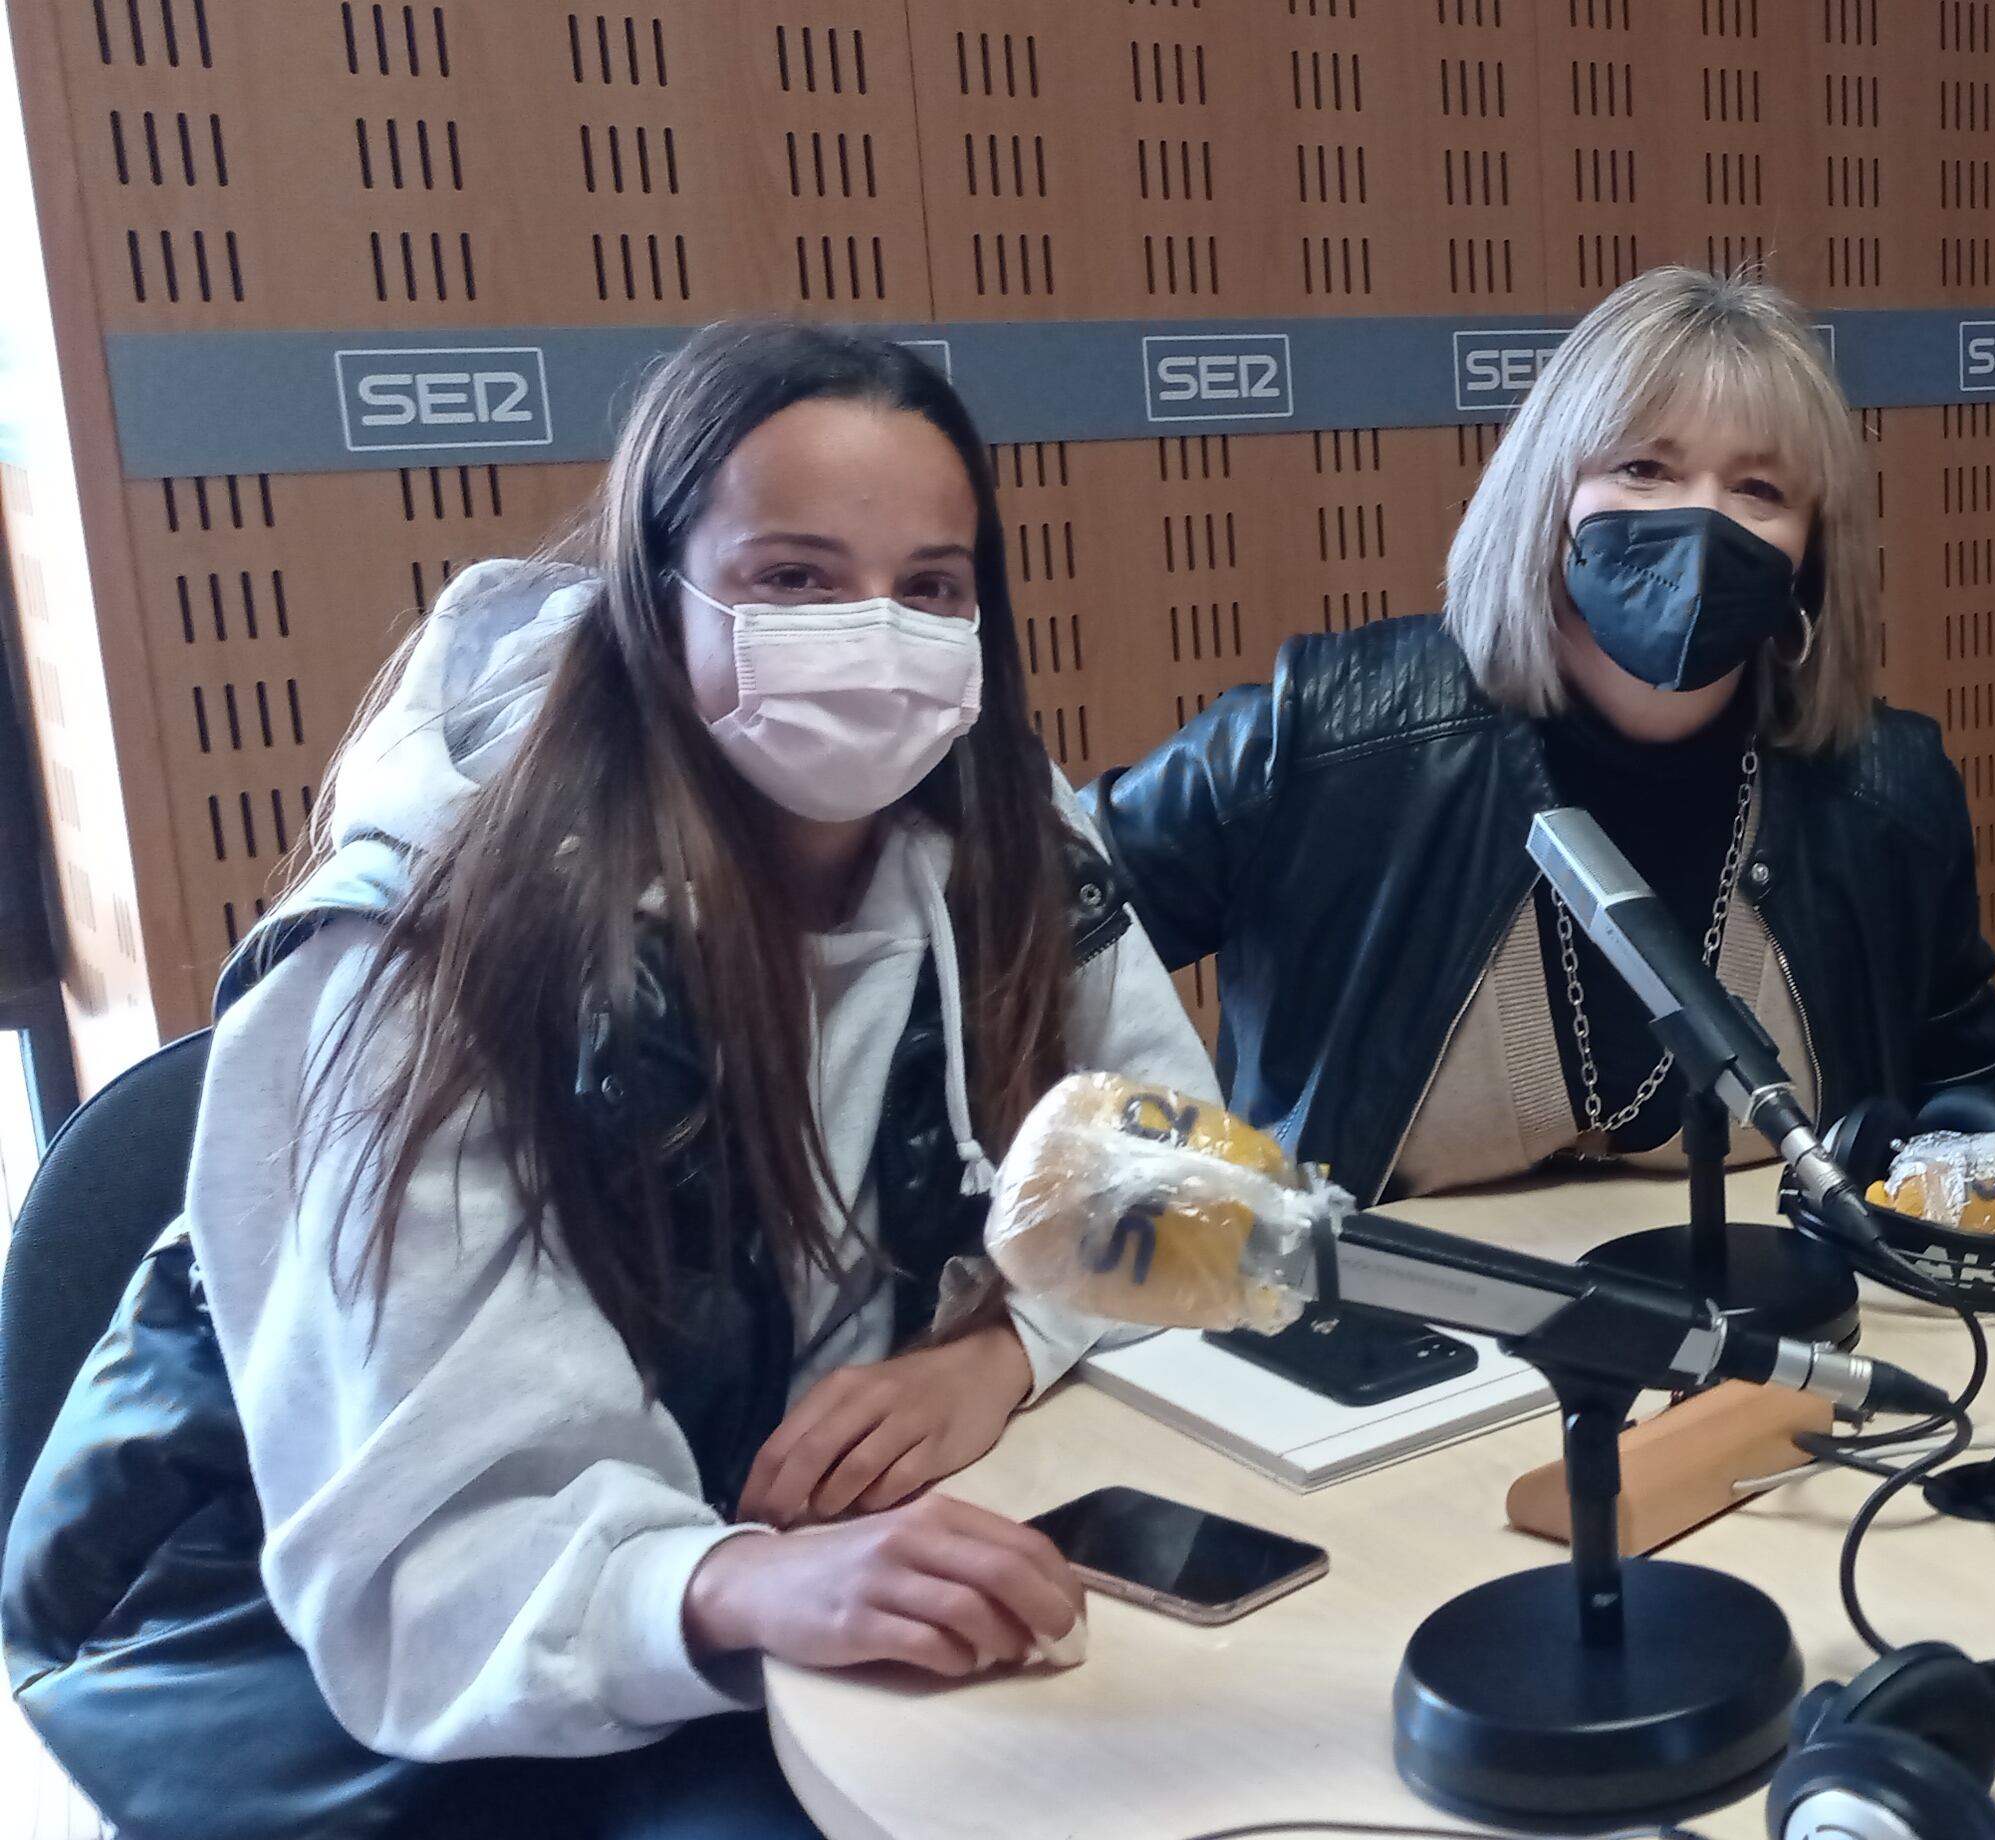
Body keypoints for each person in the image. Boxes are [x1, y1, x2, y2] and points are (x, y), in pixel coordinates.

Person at [4, 323, 1220, 1835]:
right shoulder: (440, 946)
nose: (875, 632)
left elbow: (1178, 1197)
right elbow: (430, 1549)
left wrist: (1002, 1351)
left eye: (930, 588)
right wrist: (731, 1582)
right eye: (794, 578)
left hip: (719, 1578)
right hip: (316, 1664)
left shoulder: (997, 843)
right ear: (659, 595)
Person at [1093, 265, 1995, 1197]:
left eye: (1759, 490)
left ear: (1811, 555)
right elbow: (1025, 936)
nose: (1697, 520)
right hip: (1377, 1332)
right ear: (1552, 498)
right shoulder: (1327, 737)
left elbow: (1965, 1096)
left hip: (1773, 1324)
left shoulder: (1889, 793)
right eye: (1643, 469)